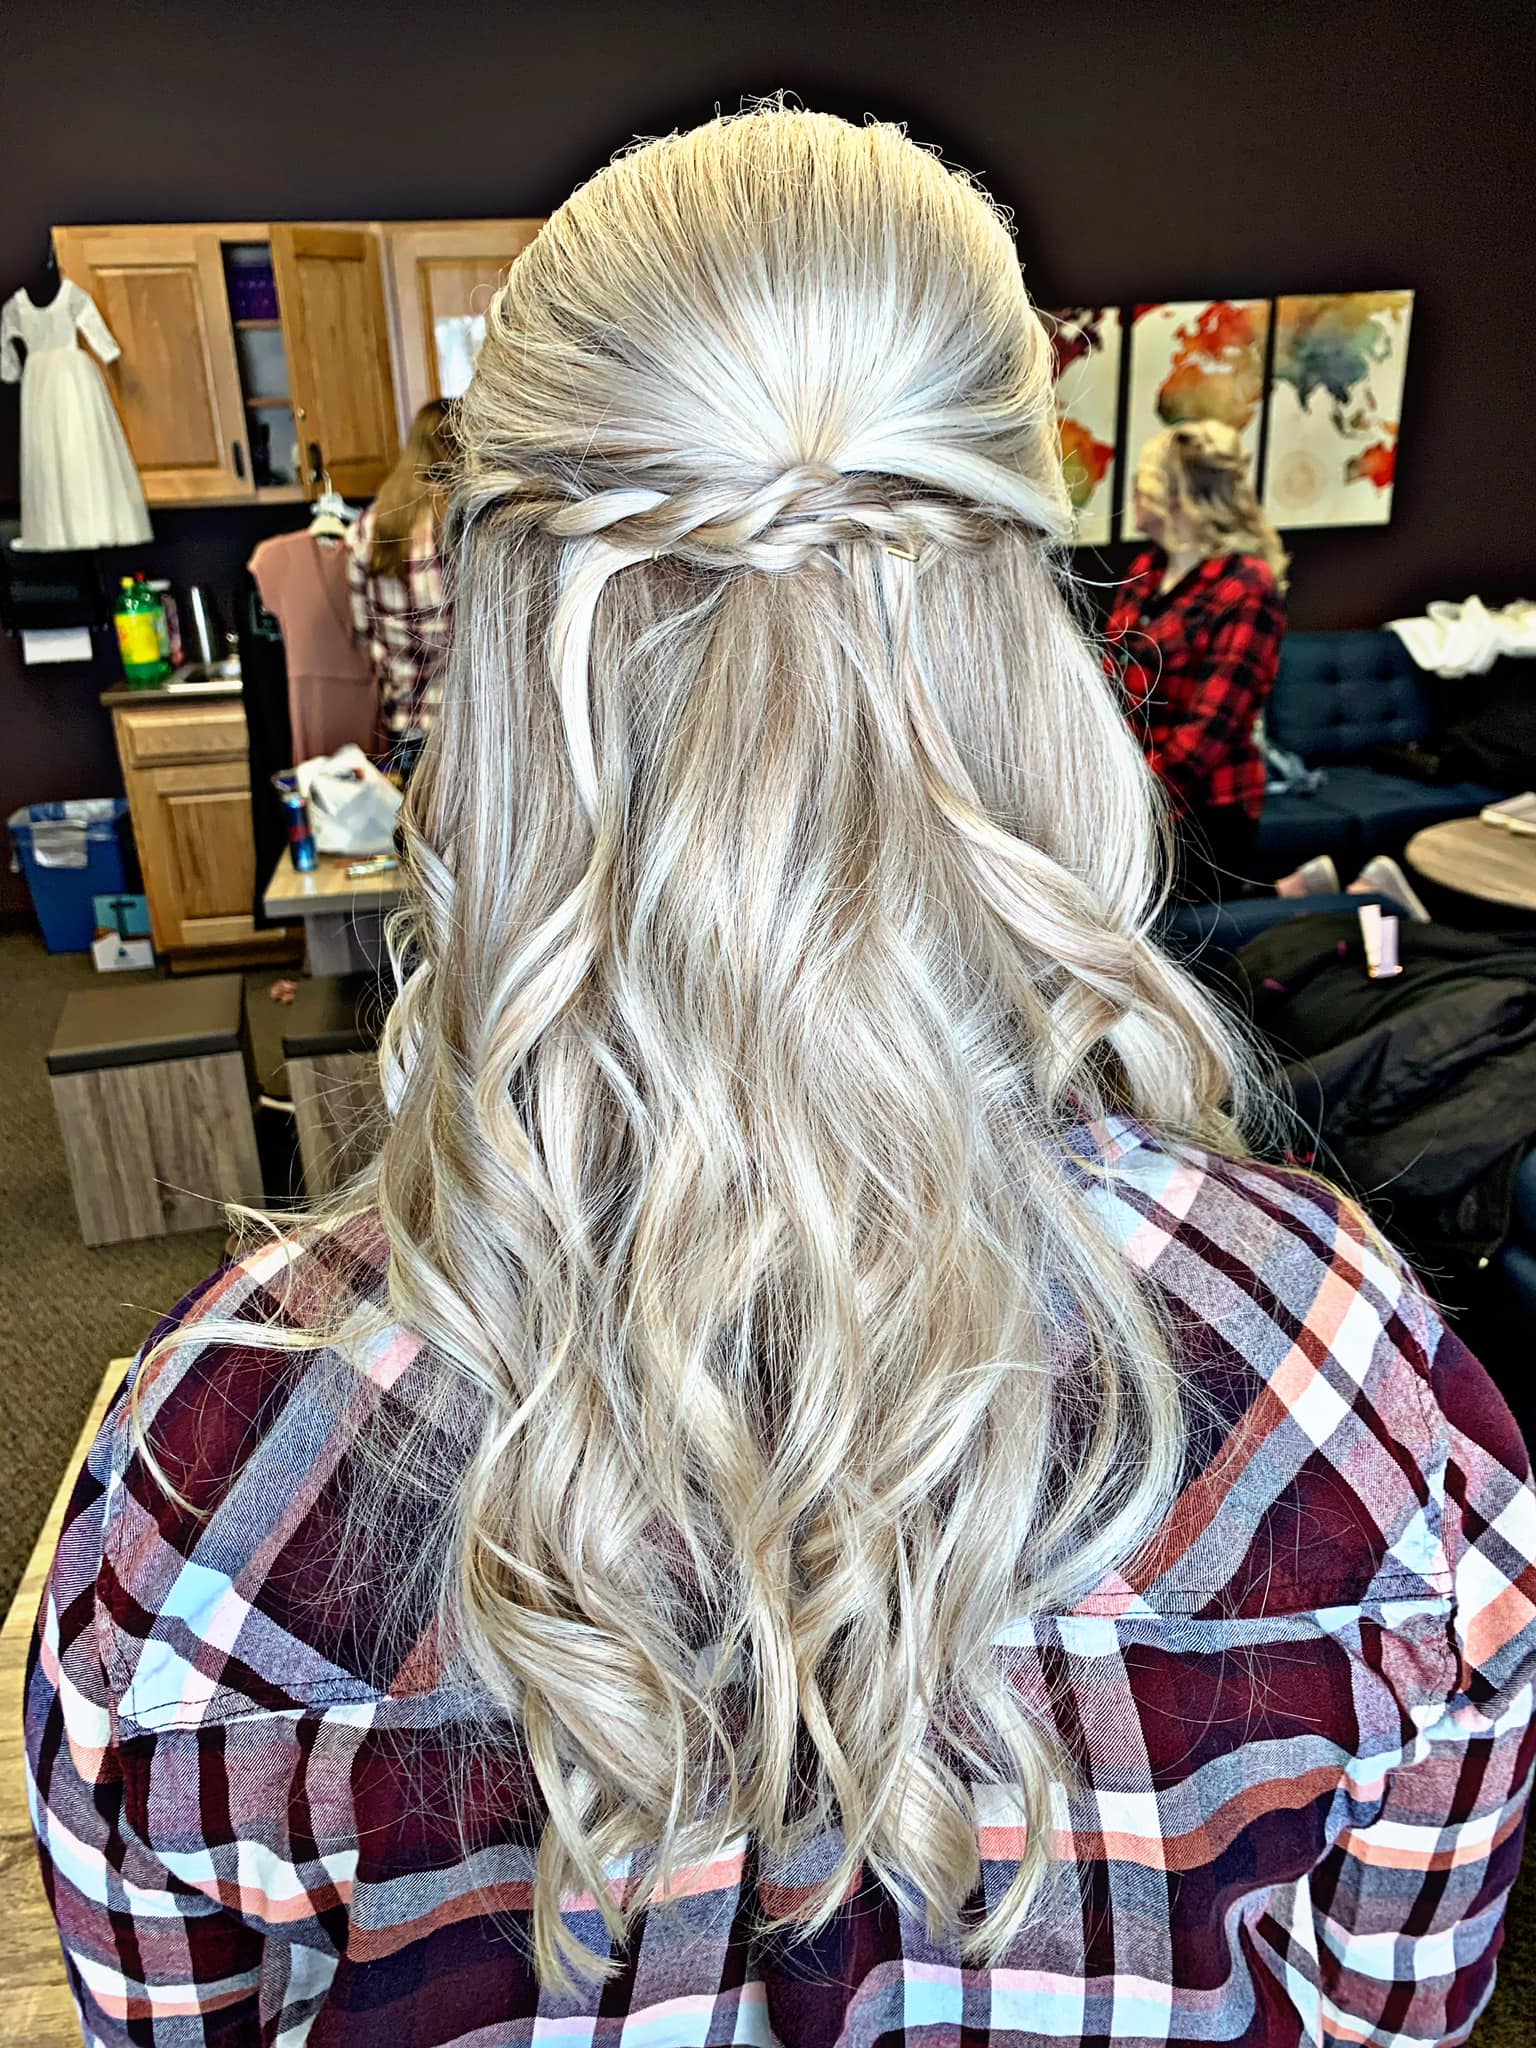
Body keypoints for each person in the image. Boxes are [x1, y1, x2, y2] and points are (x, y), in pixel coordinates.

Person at [26, 110, 1536, 2047]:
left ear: (509, 650)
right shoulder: (1351, 1388)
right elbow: (1387, 2015)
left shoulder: (213, 1479)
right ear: (1019, 621)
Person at [1106, 421, 1288, 900]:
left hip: (1201, 813)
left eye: (1144, 480)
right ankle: (1291, 893)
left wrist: (1122, 805)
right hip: (1133, 793)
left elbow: (1203, 740)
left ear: (1178, 497)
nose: (1134, 492)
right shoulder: (1146, 570)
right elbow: (1108, 682)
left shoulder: (1246, 586)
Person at [346, 397, 454, 758]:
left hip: (402, 721)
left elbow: (363, 629)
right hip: (463, 717)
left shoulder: (368, 527)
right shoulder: (462, 524)